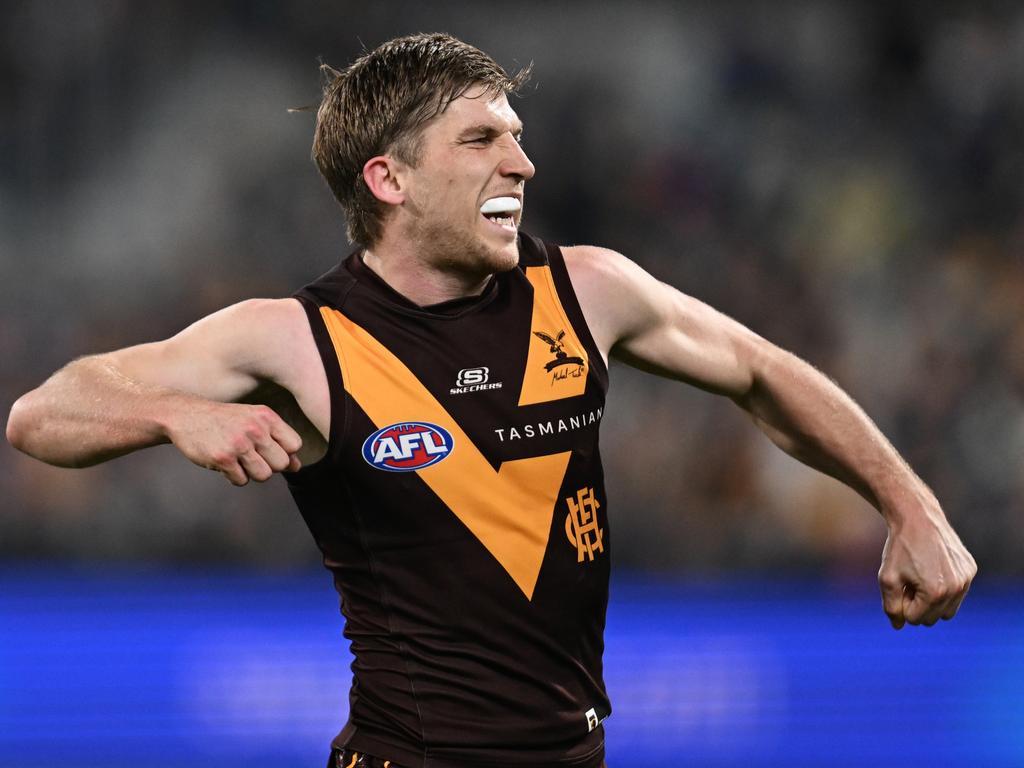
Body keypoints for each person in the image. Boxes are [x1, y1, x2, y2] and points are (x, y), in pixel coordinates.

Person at [6, 32, 976, 768]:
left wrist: (909, 502)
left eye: (516, 138)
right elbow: (42, 414)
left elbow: (763, 371)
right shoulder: (298, 340)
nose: (522, 165)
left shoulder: (588, 292)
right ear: (387, 178)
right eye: (481, 141)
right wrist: (177, 414)